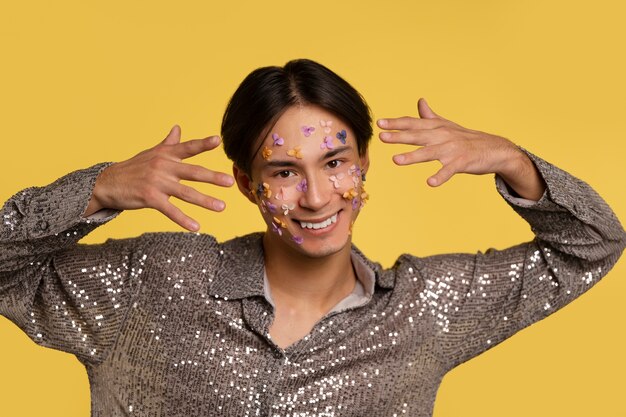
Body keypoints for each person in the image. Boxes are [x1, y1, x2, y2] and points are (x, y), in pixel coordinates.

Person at [1, 59, 624, 417]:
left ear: (363, 168)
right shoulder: (153, 282)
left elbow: (592, 244)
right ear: (248, 184)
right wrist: (97, 190)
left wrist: (515, 161)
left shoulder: (426, 309)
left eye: (334, 163)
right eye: (284, 172)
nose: (318, 197)